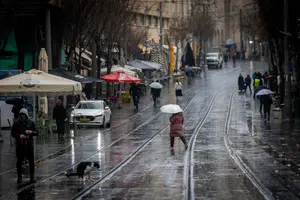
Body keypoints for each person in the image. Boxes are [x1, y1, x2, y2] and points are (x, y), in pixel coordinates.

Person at [11, 108, 38, 185]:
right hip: (20, 145)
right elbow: (13, 133)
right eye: (21, 115)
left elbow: (36, 132)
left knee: (31, 161)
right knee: (19, 161)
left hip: (29, 145)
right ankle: (19, 177)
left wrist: (31, 132)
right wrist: (20, 136)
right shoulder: (16, 123)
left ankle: (32, 176)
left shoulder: (30, 122)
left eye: (24, 115)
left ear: (26, 115)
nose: (22, 117)